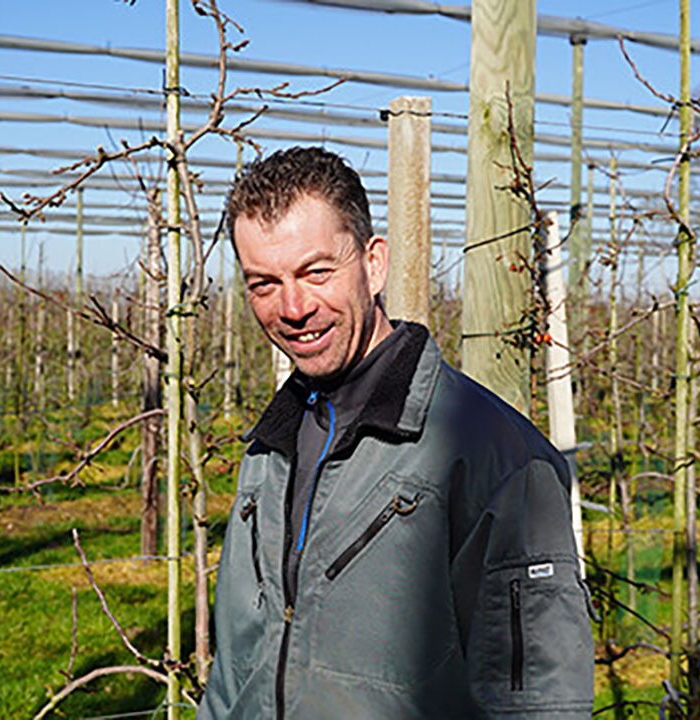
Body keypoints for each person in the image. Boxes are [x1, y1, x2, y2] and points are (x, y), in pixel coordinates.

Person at [199, 146, 594, 719]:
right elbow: (234, 676)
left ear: (374, 262)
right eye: (264, 283)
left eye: (316, 272)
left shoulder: (493, 455)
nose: (292, 306)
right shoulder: (270, 448)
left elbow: (538, 700)